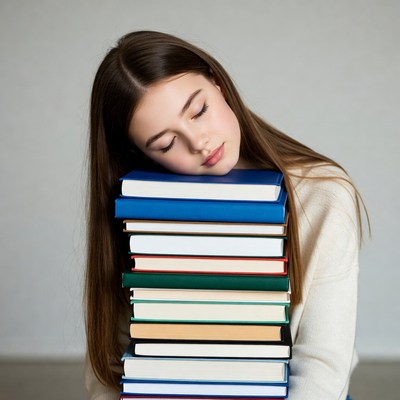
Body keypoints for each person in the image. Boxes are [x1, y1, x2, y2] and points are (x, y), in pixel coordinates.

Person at [85, 30, 368, 400]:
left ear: (218, 83)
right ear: (142, 155)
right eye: (167, 143)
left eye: (199, 110)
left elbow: (322, 365)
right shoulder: (139, 209)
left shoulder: (324, 192)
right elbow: (110, 365)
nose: (199, 142)